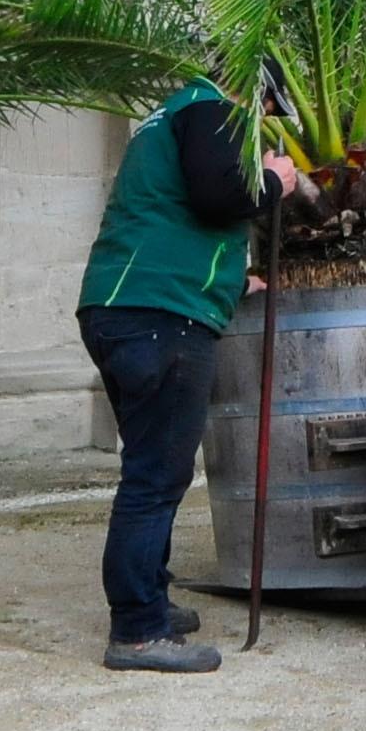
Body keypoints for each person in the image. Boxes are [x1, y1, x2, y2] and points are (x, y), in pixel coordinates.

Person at [76, 76, 311, 673]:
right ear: (255, 90)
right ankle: (137, 631)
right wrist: (275, 182)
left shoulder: (170, 115)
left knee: (151, 468)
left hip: (121, 307)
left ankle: (151, 598)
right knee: (155, 478)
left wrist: (233, 280)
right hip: (162, 317)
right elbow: (217, 196)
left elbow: (174, 213)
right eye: (268, 107)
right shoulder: (212, 109)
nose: (264, 119)